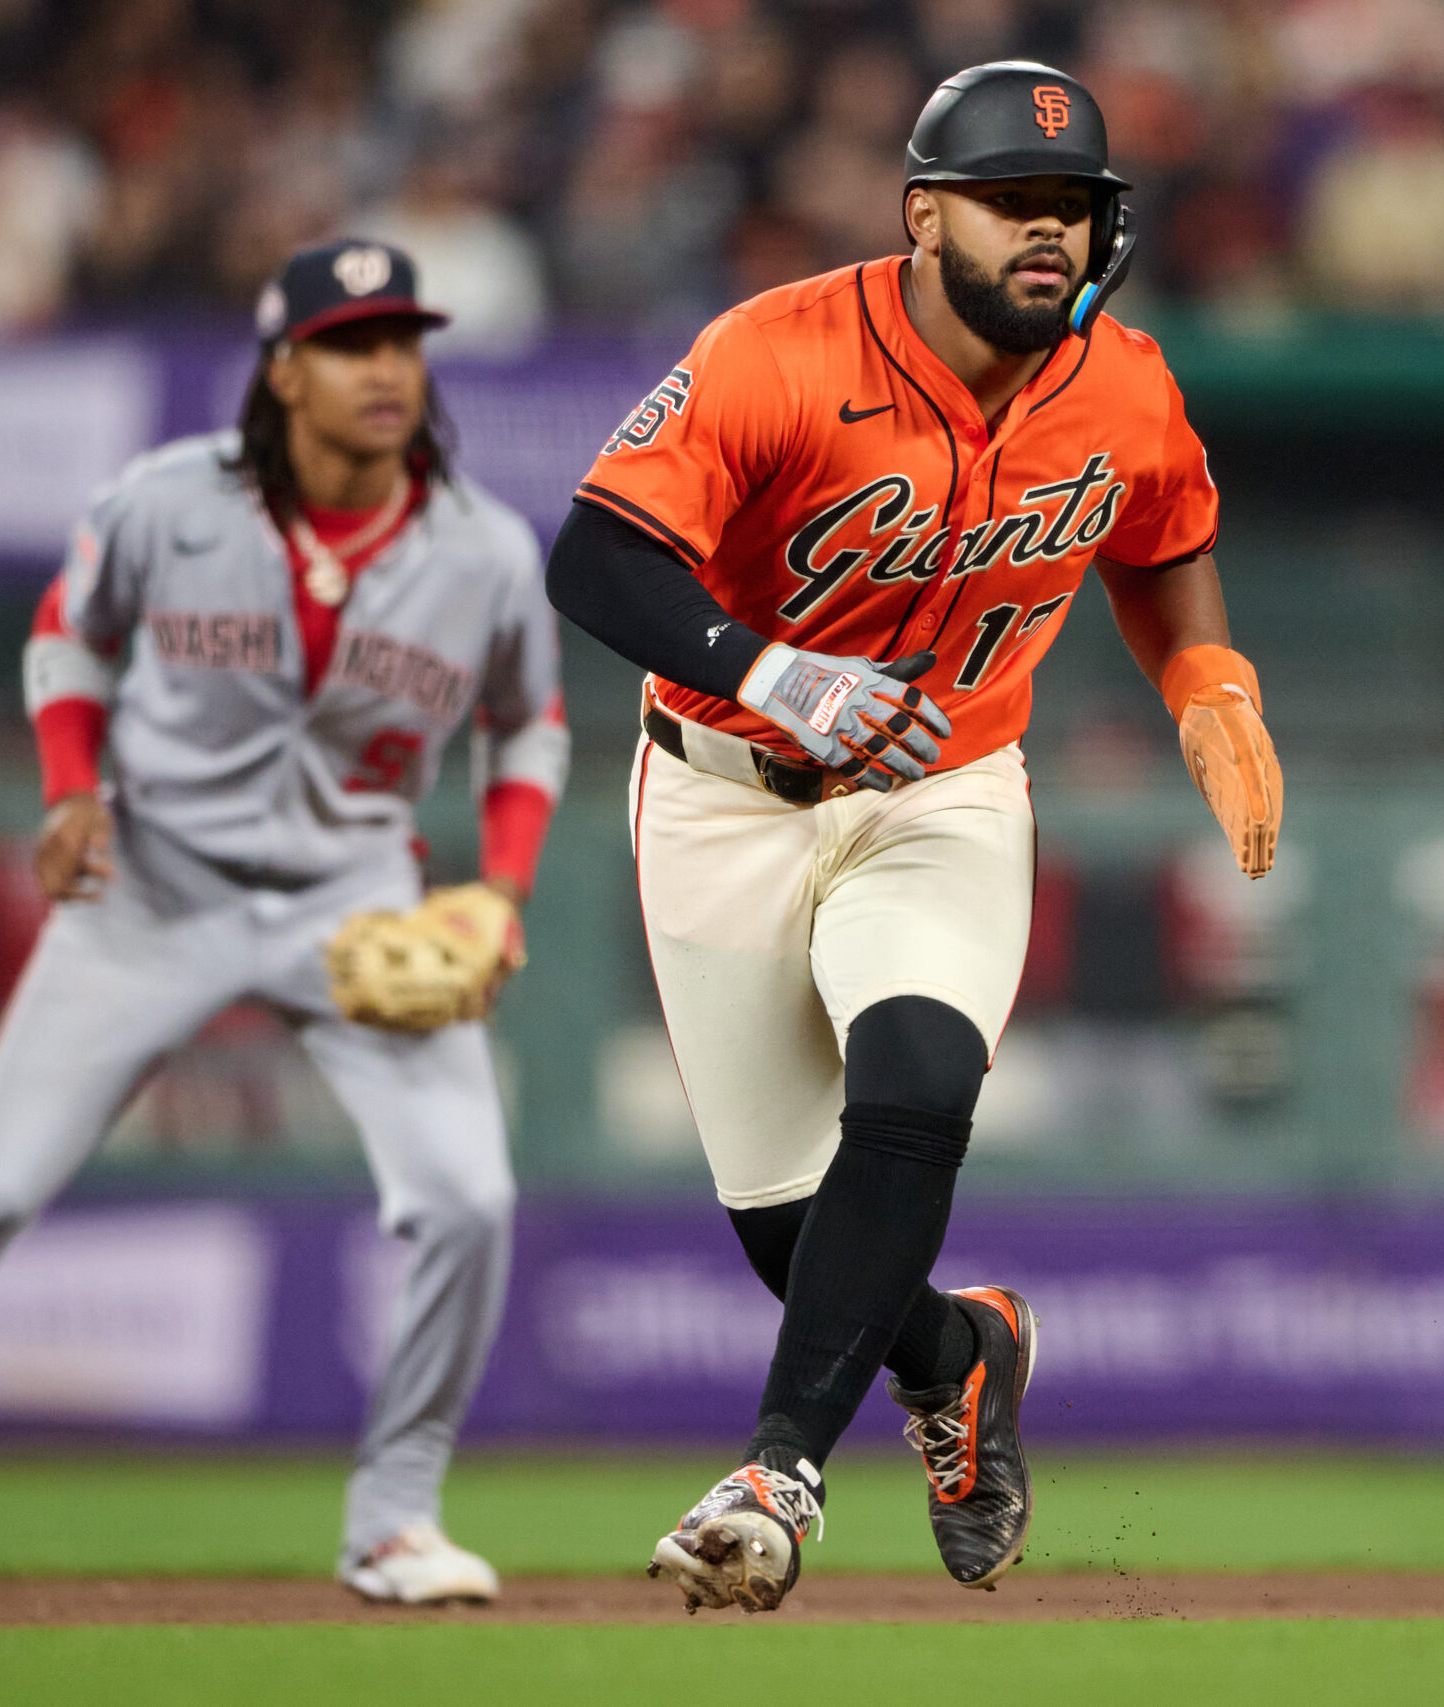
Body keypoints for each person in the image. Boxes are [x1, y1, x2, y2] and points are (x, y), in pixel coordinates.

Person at [0, 240, 568, 1608]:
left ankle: (396, 1518)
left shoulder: (483, 548)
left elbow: (529, 727)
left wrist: (499, 888)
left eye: (402, 342)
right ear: (283, 369)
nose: (387, 369)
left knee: (467, 1198)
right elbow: (68, 635)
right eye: (350, 342)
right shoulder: (166, 501)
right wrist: (70, 787)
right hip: (151, 891)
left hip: (352, 901)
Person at [545, 61, 1282, 1613]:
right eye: (1014, 203)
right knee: (788, 1234)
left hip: (944, 788)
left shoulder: (1125, 382)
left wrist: (1207, 683)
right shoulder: (778, 351)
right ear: (925, 213)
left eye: (1073, 209)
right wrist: (769, 668)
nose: (1048, 236)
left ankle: (779, 1471)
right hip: (724, 785)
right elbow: (594, 557)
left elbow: (1166, 539)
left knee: (919, 1083)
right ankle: (961, 1355)